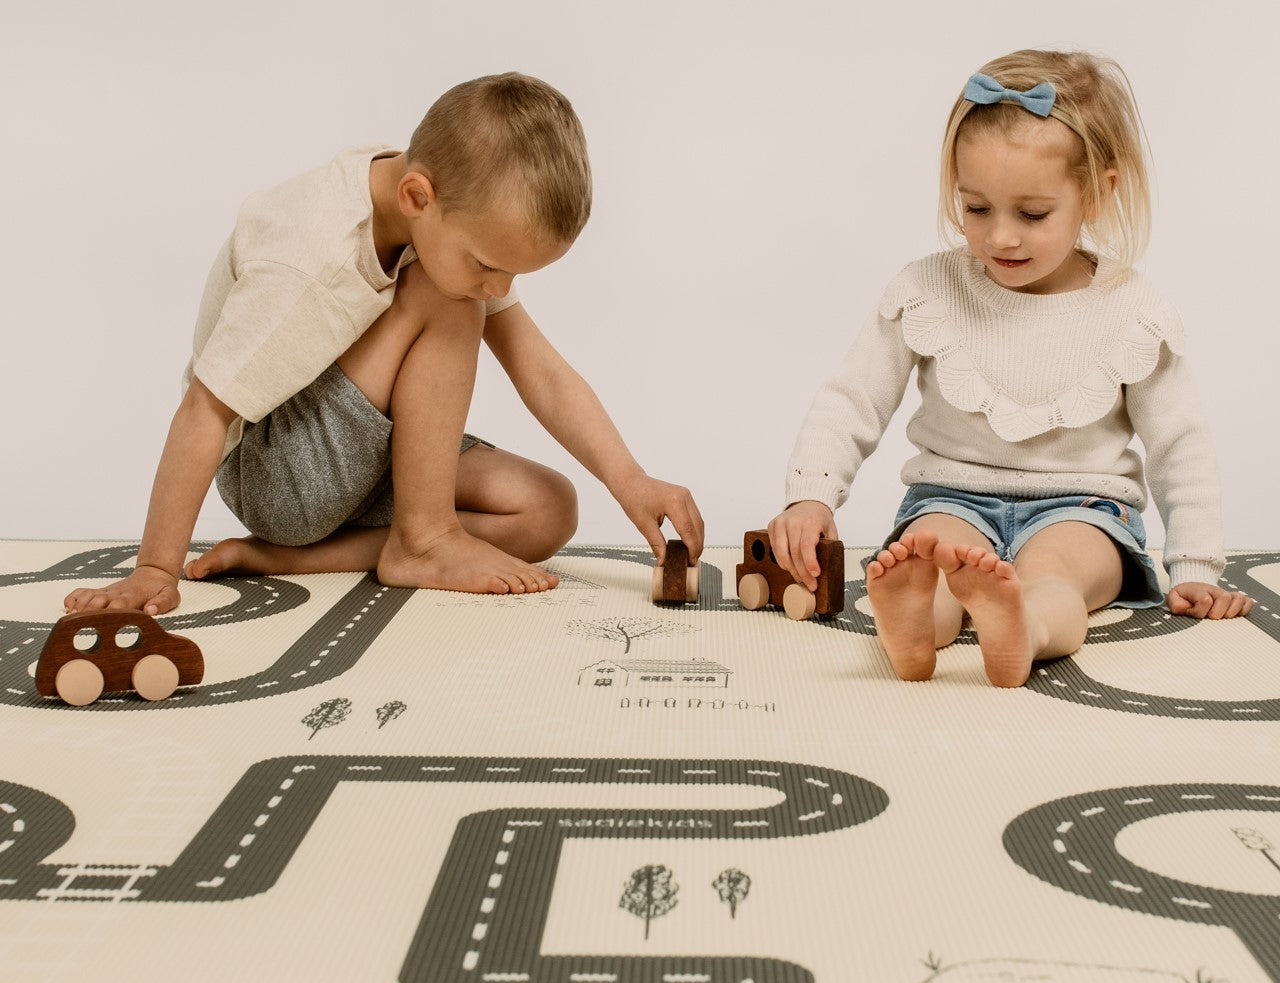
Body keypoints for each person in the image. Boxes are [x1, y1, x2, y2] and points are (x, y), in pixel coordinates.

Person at [65, 72, 703, 617]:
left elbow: (538, 367)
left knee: (546, 510)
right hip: (277, 472)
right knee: (447, 300)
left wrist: (631, 479)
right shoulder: (311, 256)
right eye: (488, 264)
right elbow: (206, 410)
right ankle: (425, 539)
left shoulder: (441, 207)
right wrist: (155, 567)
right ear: (416, 197)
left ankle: (318, 556)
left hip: (355, 457)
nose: (499, 288)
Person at [767, 49, 1253, 688]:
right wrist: (810, 495)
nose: (1000, 238)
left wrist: (1193, 567)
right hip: (950, 497)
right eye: (975, 208)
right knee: (931, 559)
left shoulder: (1132, 310)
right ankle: (919, 622)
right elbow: (853, 397)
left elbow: (1179, 446)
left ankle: (1022, 624)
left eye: (1032, 214)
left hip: (1084, 508)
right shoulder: (928, 290)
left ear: (1097, 194)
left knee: (1053, 576)